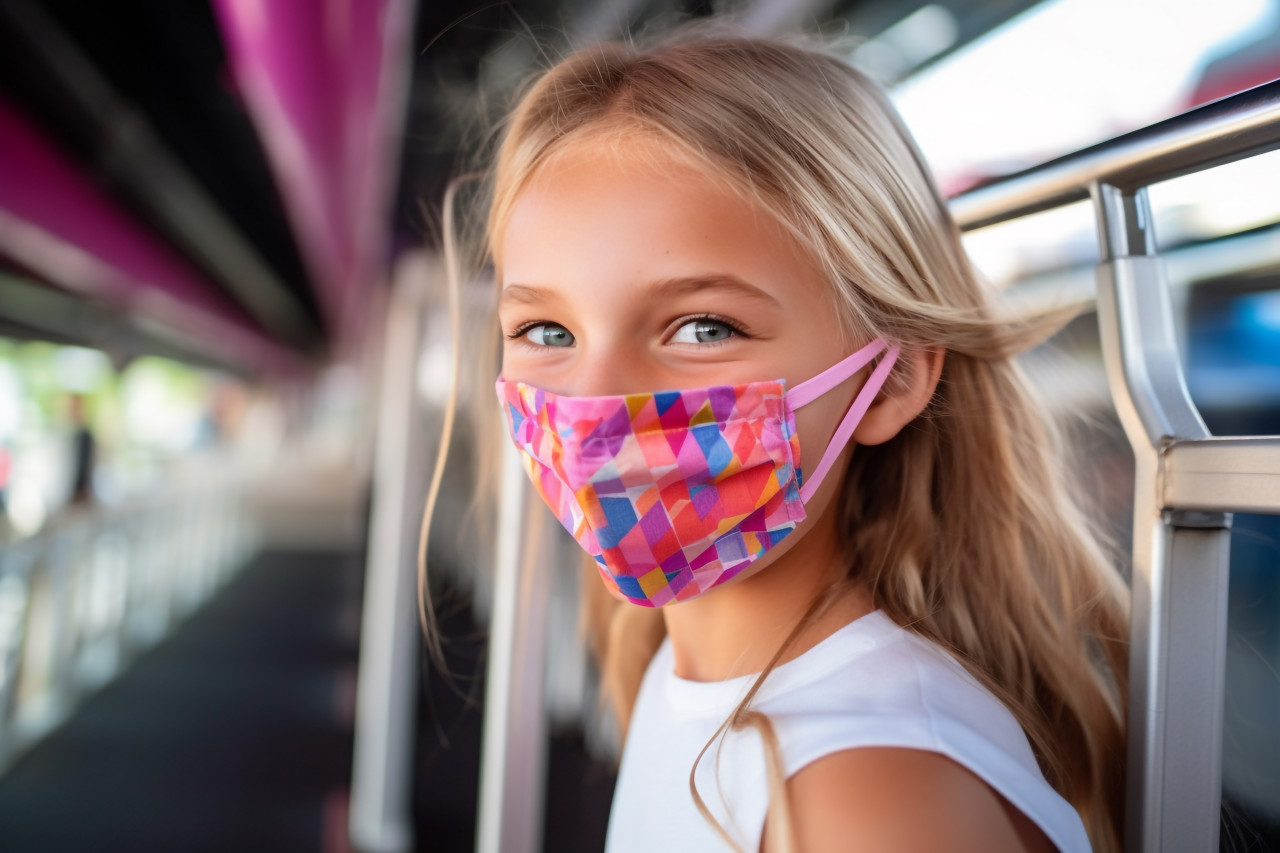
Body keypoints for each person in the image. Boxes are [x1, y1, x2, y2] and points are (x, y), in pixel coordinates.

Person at [437, 27, 1128, 853]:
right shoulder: (688, 672)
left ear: (895, 376)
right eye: (547, 330)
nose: (592, 403)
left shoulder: (873, 801)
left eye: (702, 326)